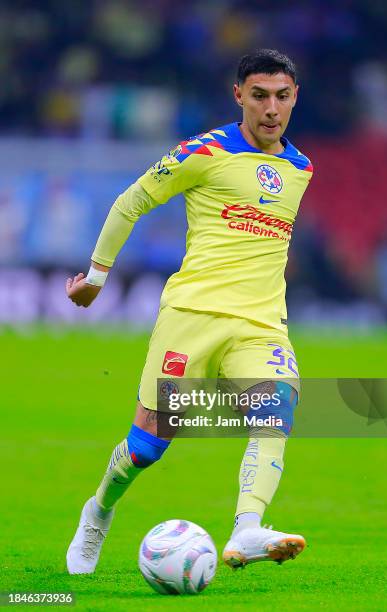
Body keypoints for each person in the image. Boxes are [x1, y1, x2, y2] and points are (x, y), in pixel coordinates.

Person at [65, 48, 313, 574]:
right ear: (239, 96)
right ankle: (98, 512)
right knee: (146, 448)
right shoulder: (204, 151)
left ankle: (247, 529)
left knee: (277, 413)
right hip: (192, 315)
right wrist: (97, 277)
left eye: (283, 97)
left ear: (295, 99)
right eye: (260, 95)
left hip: (261, 325)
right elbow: (132, 200)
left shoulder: (300, 168)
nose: (272, 108)